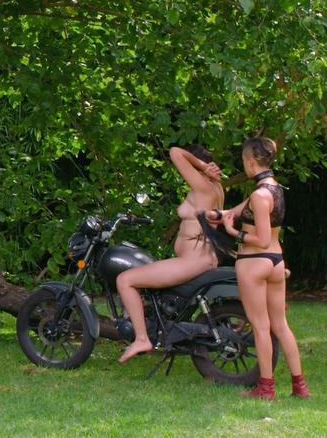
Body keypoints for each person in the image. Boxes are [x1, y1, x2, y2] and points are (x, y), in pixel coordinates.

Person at [204, 137, 309, 399]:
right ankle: (300, 387)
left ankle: (266, 388)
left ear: (251, 161)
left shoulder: (259, 196)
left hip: (255, 261)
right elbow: (236, 211)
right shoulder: (274, 189)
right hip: (276, 261)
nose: (243, 164)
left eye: (243, 160)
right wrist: (218, 215)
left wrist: (232, 232)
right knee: (281, 326)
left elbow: (260, 239)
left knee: (261, 327)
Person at [117, 145, 224, 363]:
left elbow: (175, 151)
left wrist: (201, 165)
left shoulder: (204, 187)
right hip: (200, 258)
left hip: (193, 260)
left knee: (125, 280)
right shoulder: (214, 187)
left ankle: (141, 339)